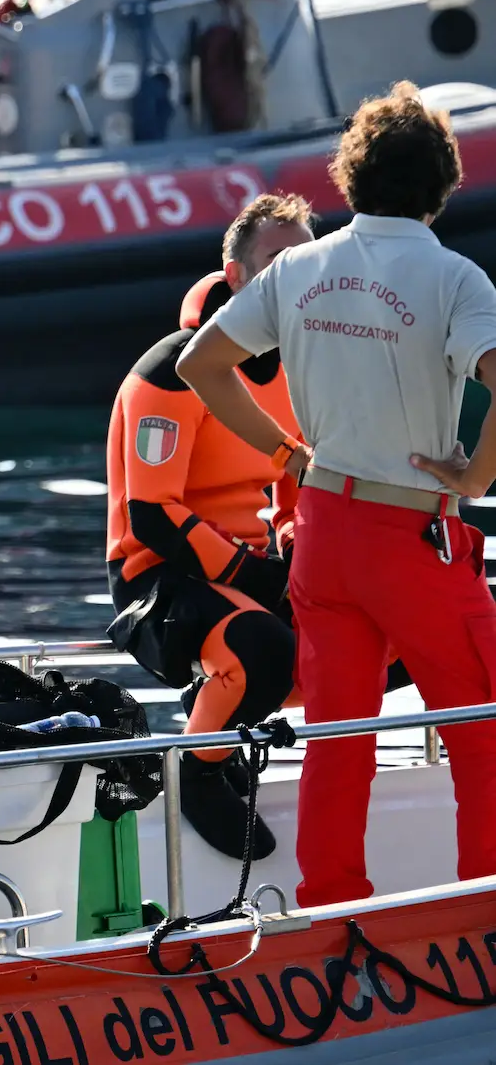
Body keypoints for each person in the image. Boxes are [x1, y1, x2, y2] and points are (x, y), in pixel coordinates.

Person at [180, 84, 496, 907]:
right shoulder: (456, 279)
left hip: (322, 529)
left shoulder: (298, 267)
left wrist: (286, 450)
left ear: (352, 178)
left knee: (339, 738)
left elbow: (200, 364)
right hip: (414, 537)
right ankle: (482, 916)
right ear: (444, 180)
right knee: (480, 733)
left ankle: (334, 912)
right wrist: (475, 479)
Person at [105, 193, 314, 860]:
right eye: (282, 263)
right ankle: (196, 770)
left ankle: (232, 722)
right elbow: (153, 515)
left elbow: (294, 490)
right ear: (237, 278)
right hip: (156, 573)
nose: (299, 278)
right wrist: (253, 575)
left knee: (381, 631)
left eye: (310, 262)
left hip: (247, 560)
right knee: (263, 644)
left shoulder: (300, 370)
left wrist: (299, 558)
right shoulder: (170, 371)